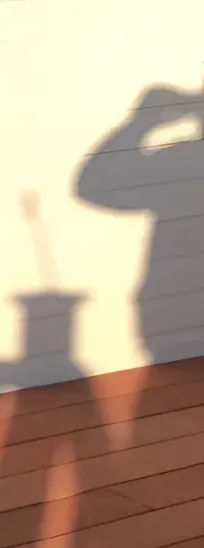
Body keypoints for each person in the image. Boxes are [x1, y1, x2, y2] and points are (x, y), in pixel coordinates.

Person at [77, 84, 204, 363]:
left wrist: (143, 121)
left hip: (178, 333)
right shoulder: (186, 164)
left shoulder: (186, 165)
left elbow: (96, 183)